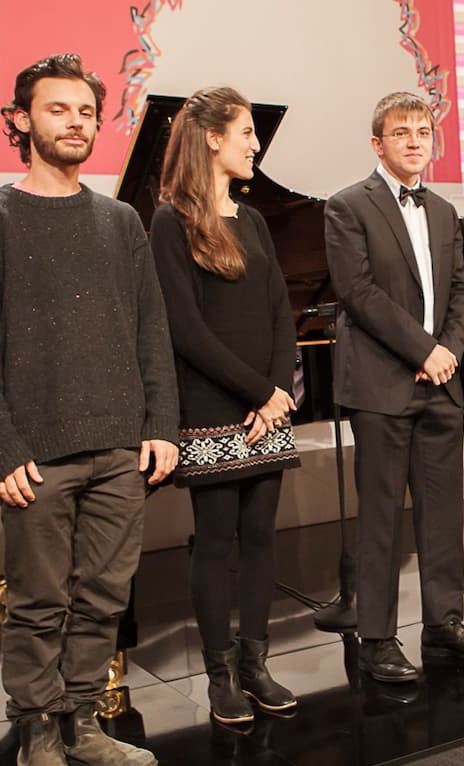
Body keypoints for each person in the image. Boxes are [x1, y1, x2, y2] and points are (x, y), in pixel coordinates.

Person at [0, 54, 178, 766]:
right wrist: (0, 448)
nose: (75, 123)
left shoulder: (119, 221)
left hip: (118, 446)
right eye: (57, 110)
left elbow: (151, 330)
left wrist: (161, 425)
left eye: (85, 111)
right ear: (21, 120)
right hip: (36, 454)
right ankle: (38, 736)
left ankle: (82, 723)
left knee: (105, 595)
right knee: (41, 600)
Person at [323, 91, 464, 682]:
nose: (414, 141)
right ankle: (376, 637)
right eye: (401, 132)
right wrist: (423, 349)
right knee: (380, 516)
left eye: (423, 132)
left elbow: (461, 289)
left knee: (442, 511)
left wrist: (449, 352)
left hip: (440, 383)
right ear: (378, 143)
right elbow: (359, 292)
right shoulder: (347, 205)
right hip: (381, 383)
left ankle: (445, 623)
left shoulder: (444, 210)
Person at [151, 86, 301, 725]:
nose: (255, 145)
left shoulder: (256, 219)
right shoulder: (169, 221)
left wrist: (277, 391)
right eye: (246, 133)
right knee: (216, 542)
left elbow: (280, 313)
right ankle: (218, 674)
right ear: (212, 137)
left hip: (263, 408)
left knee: (262, 538)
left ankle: (255, 663)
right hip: (213, 405)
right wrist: (259, 392)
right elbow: (185, 331)